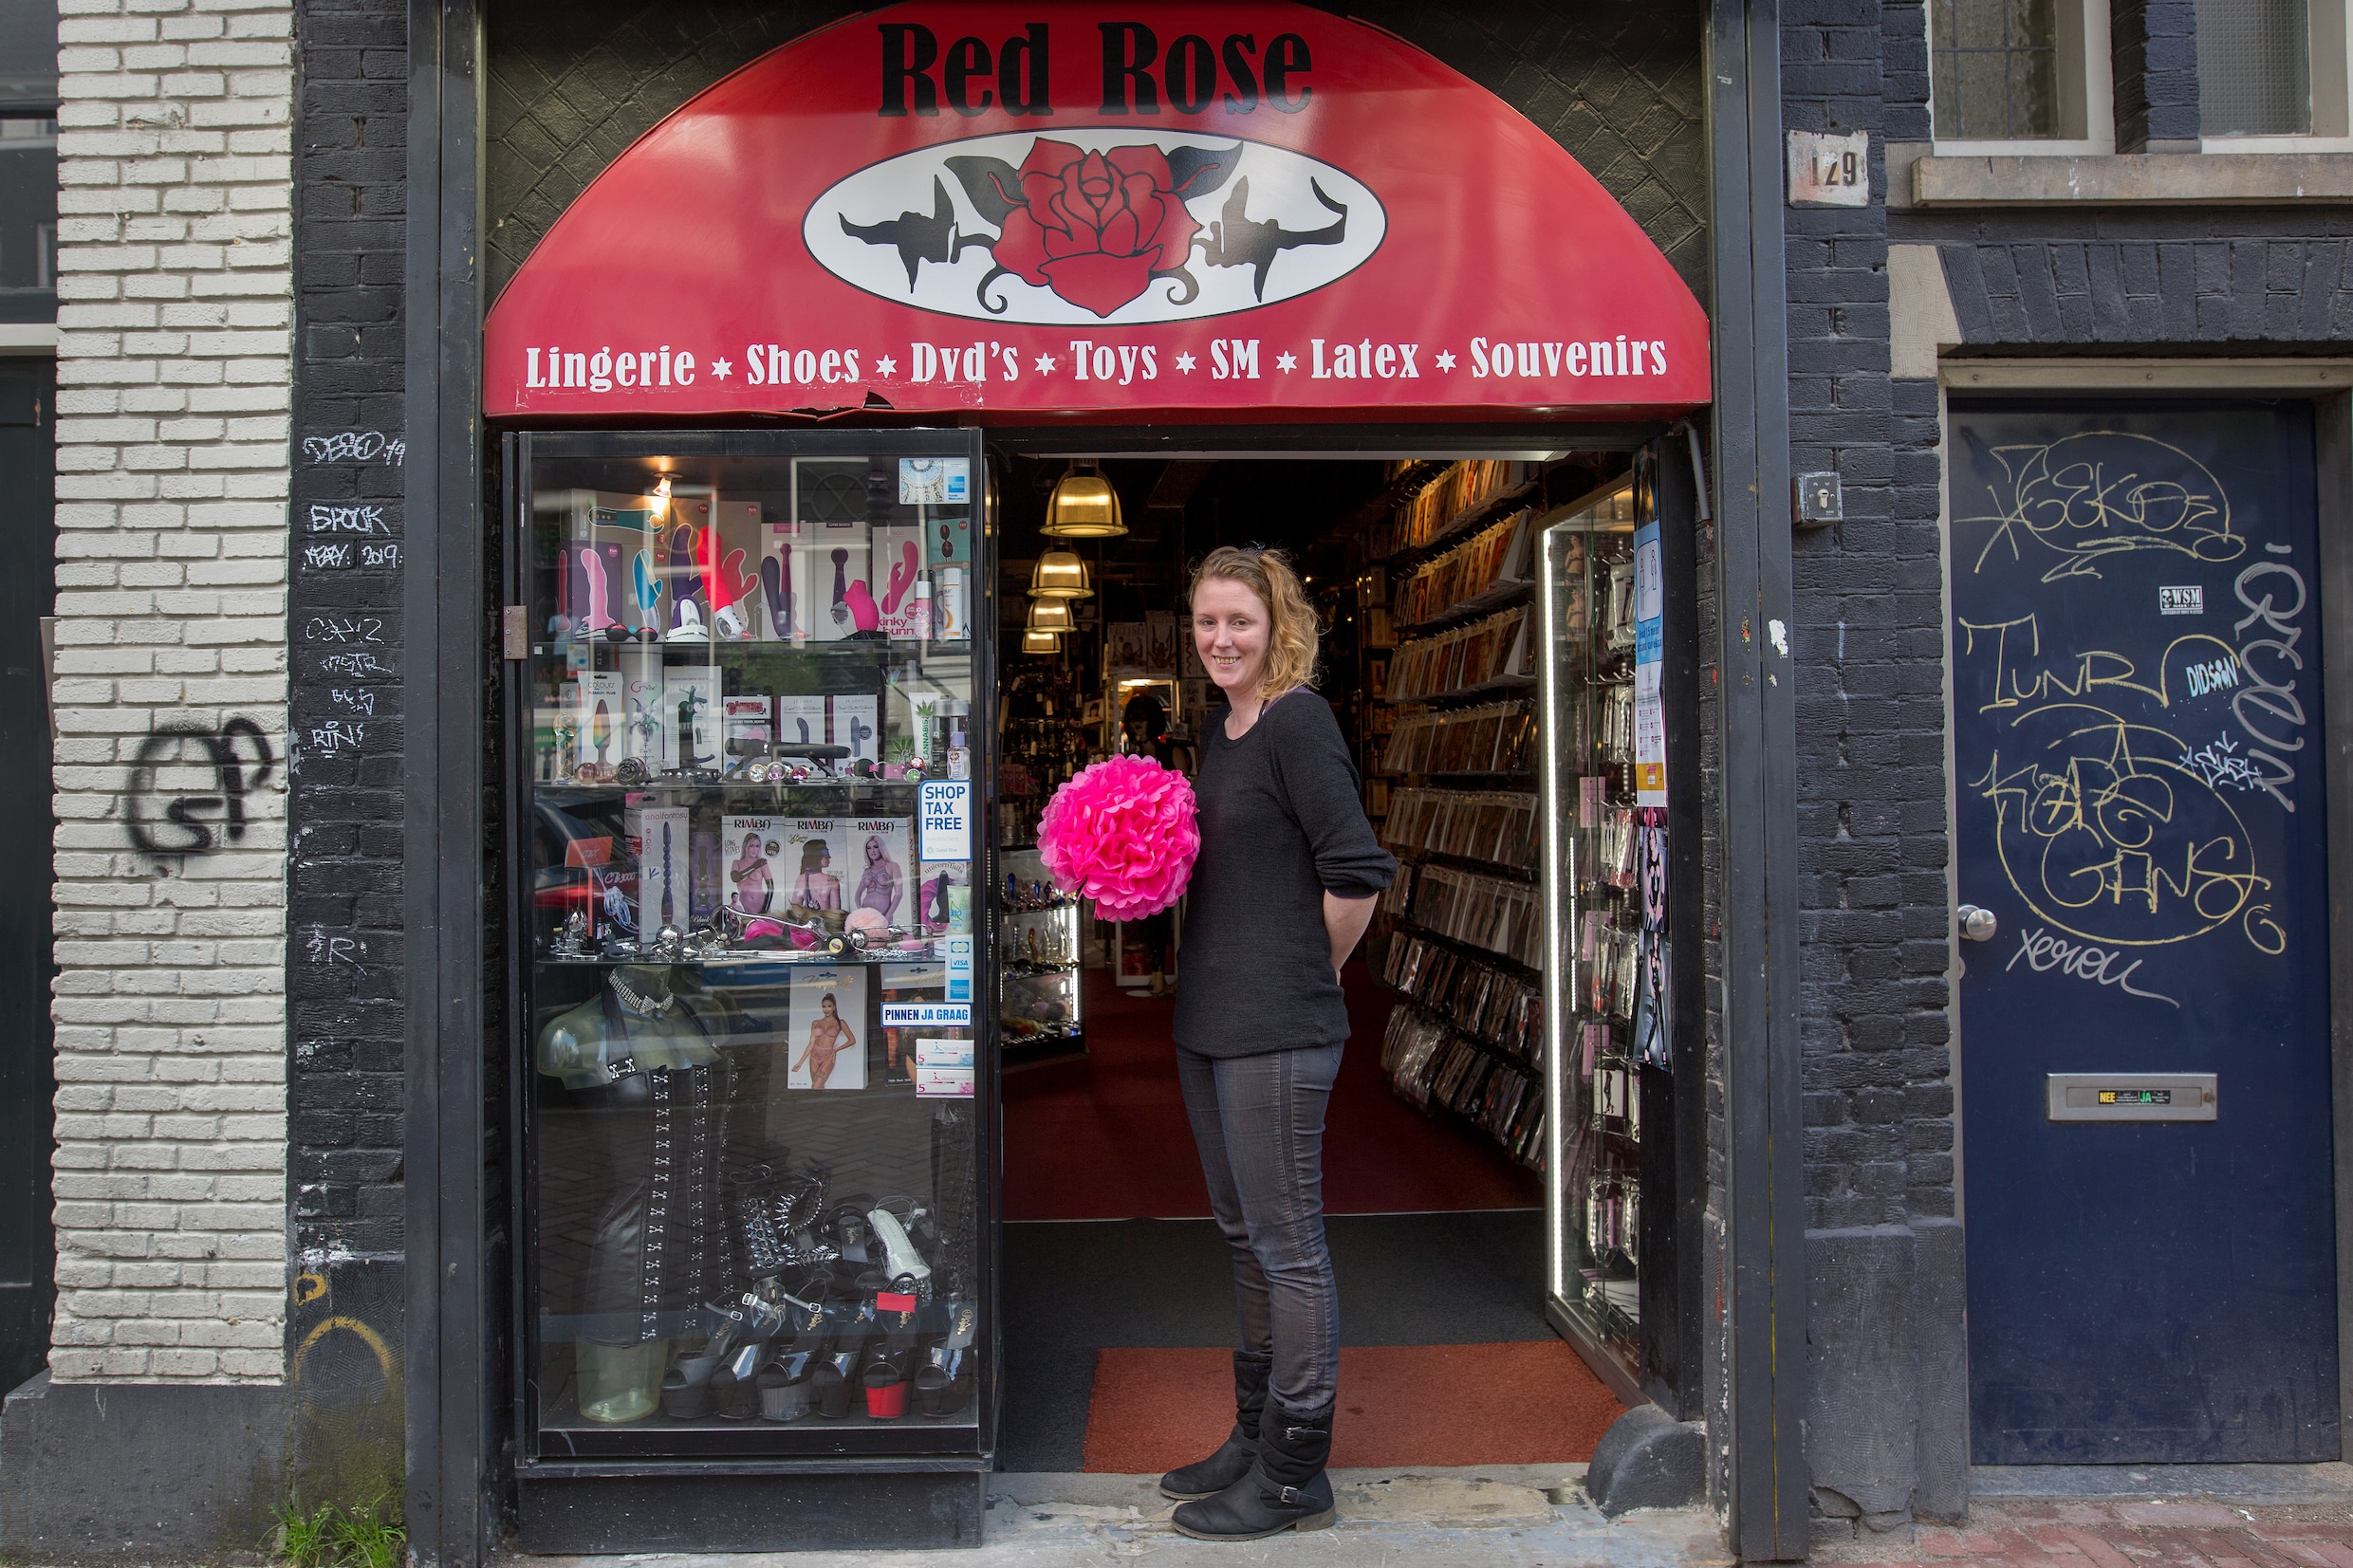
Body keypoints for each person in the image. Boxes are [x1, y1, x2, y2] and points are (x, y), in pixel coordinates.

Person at [1161, 545, 1395, 1541]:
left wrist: (1310, 973)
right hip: (1208, 1025)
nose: (1221, 640)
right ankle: (1255, 1433)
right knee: (1242, 1238)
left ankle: (1296, 1468)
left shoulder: (1299, 722)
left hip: (1276, 1029)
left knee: (1288, 1246)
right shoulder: (1222, 730)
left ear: (1277, 626)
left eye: (1239, 623)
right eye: (1208, 624)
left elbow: (1356, 874)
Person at [792, 989, 856, 1090]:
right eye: (824, 1006)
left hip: (828, 1057)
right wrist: (800, 1063)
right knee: (819, 1088)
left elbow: (852, 1040)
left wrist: (836, 1050)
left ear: (834, 1007)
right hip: (814, 1056)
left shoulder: (840, 1023)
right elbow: (811, 1044)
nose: (826, 1009)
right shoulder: (816, 1023)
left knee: (815, 1087)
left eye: (829, 1006)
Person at [853, 832, 903, 922]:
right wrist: (859, 910)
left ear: (881, 848)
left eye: (875, 847)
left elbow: (898, 894)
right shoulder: (867, 870)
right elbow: (857, 894)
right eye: (869, 848)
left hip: (884, 915)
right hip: (866, 915)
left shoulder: (893, 866)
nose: (872, 851)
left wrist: (889, 914)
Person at [789, 837, 842, 913]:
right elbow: (836, 912)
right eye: (826, 854)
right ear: (816, 856)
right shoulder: (832, 880)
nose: (829, 857)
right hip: (827, 922)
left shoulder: (800, 879)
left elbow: (795, 910)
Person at [728, 831, 771, 913]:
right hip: (744, 905)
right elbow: (735, 878)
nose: (755, 849)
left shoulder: (762, 863)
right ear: (745, 846)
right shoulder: (737, 863)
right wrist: (754, 866)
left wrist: (765, 908)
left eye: (757, 846)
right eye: (752, 846)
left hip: (762, 904)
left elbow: (771, 887)